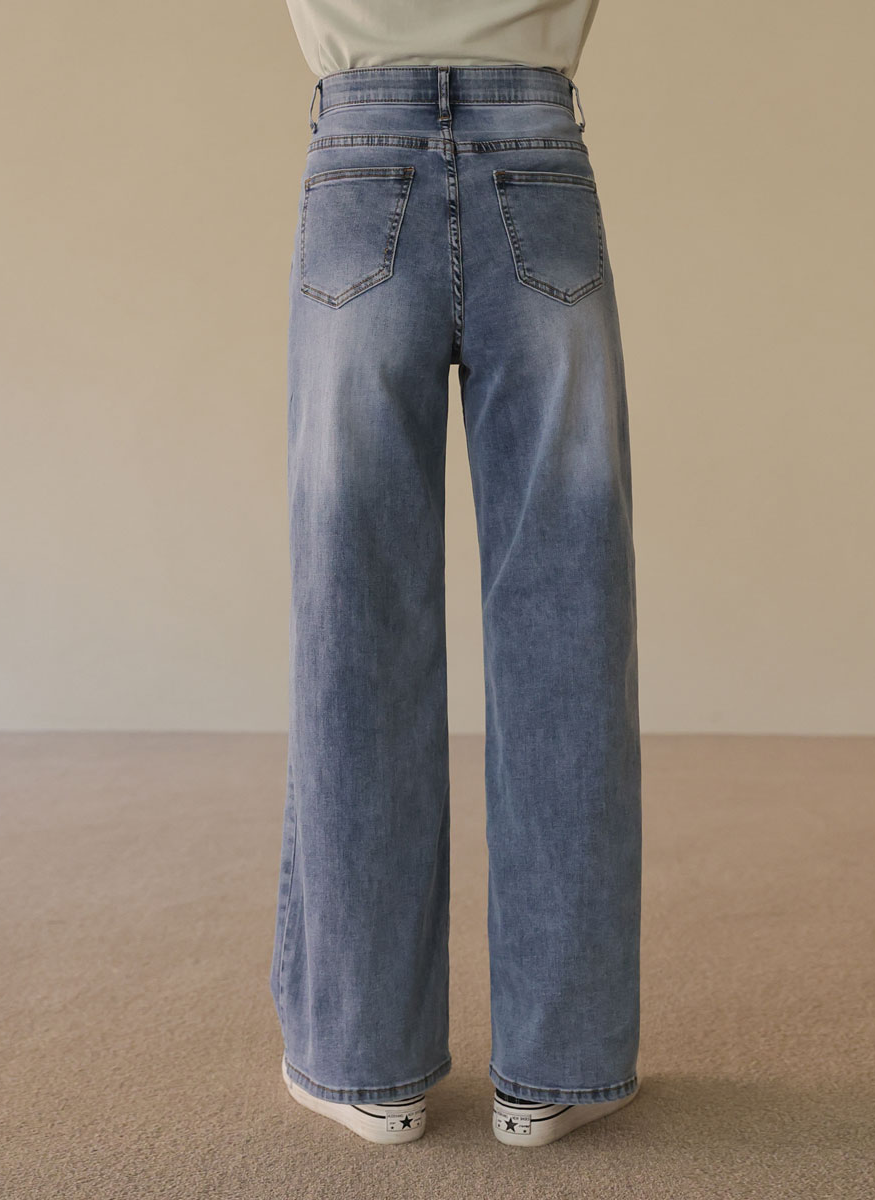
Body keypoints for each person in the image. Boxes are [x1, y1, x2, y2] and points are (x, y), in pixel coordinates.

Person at [270, 0, 642, 1148]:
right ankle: (562, 1063)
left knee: (357, 616)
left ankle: (361, 1058)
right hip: (538, 157)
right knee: (567, 613)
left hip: (360, 159)